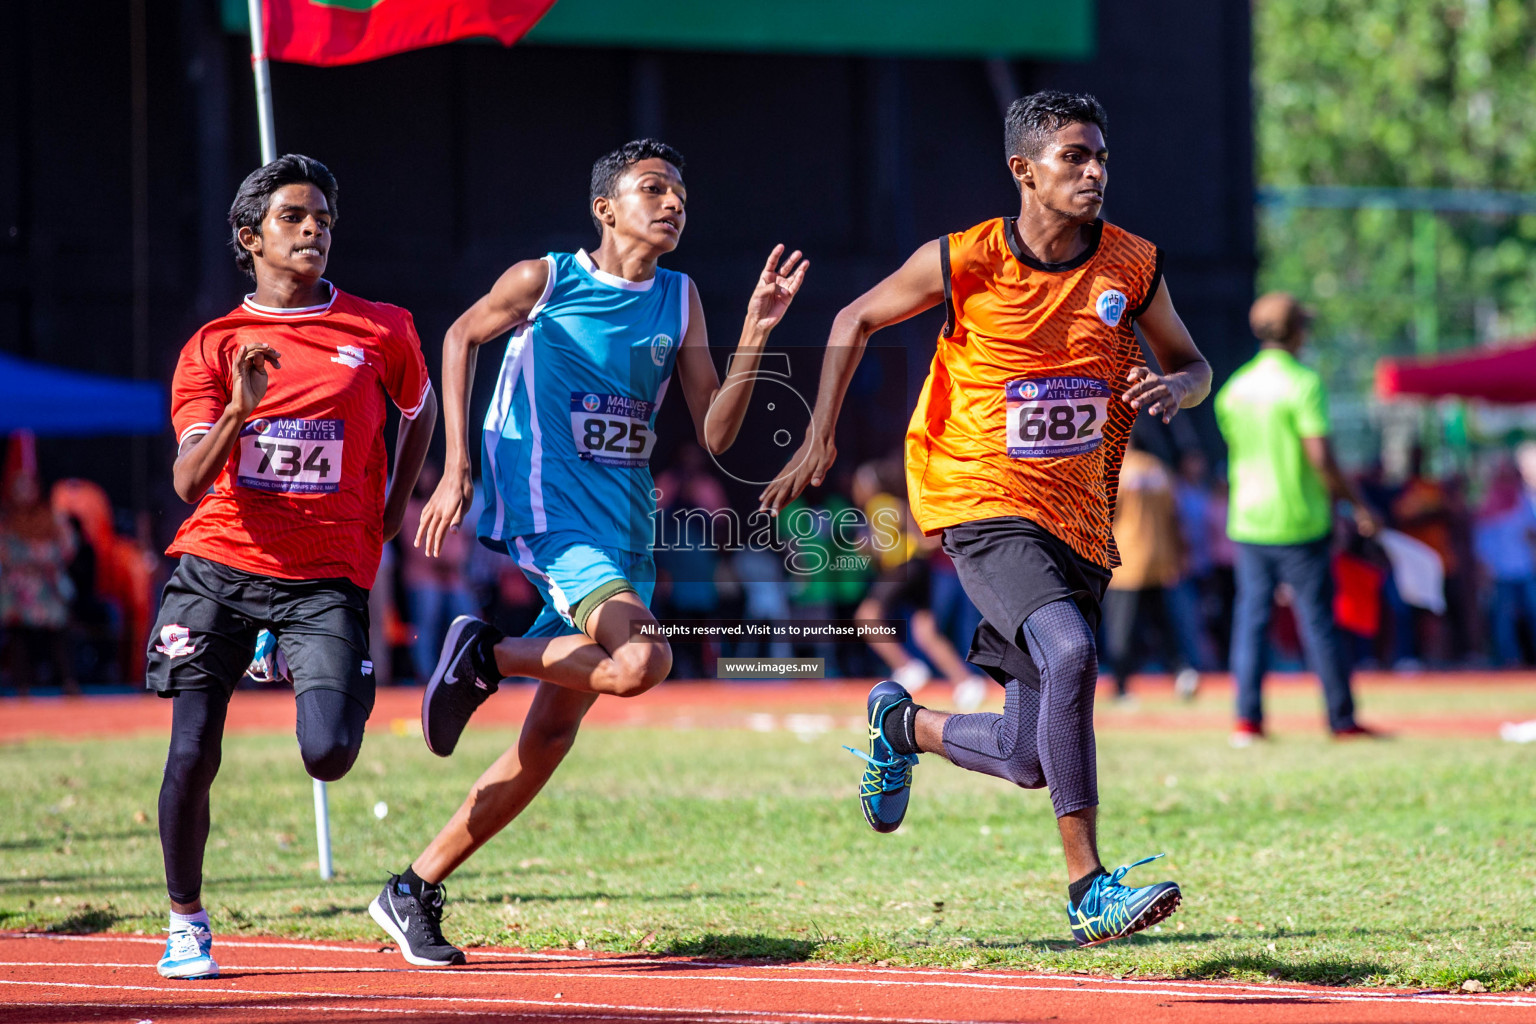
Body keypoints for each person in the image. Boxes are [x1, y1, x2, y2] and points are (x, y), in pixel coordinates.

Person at [761, 91, 1211, 946]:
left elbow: (1194, 363)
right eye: (1074, 157)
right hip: (975, 496)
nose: (1093, 172)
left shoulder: (1130, 264)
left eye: (1101, 157)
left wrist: (1176, 387)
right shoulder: (965, 260)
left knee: (1027, 756)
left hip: (1077, 516)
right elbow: (854, 316)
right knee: (1072, 650)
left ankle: (903, 725)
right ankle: (1089, 890)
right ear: (1023, 171)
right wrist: (819, 437)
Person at [369, 139, 807, 966]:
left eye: (681, 192)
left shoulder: (680, 299)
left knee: (550, 739)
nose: (673, 203)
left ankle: (412, 887)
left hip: (625, 525)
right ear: (607, 208)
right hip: (545, 504)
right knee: (642, 661)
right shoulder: (548, 280)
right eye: (654, 189)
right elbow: (460, 336)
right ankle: (490, 653)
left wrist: (756, 332)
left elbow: (715, 431)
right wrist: (458, 464)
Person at [146, 155, 436, 980]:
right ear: (251, 237)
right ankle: (186, 921)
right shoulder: (213, 347)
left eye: (324, 219)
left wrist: (389, 507)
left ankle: (295, 649)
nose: (315, 230)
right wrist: (240, 407)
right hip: (220, 563)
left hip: (324, 575)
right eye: (294, 217)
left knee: (329, 752)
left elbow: (420, 409)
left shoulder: (382, 328)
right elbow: (186, 482)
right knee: (192, 754)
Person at [1215, 292, 1379, 745]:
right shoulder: (1304, 383)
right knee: (1318, 622)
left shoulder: (1235, 388)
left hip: (1248, 519)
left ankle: (1247, 721)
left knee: (1251, 620)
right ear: (1296, 332)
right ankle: (1341, 719)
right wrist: (1358, 505)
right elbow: (1320, 457)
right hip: (1300, 520)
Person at [850, 459, 989, 709]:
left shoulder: (877, 505)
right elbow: (923, 540)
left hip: (903, 566)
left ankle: (907, 667)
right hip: (920, 567)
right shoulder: (900, 504)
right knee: (925, 630)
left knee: (866, 617)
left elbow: (882, 547)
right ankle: (965, 681)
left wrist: (865, 546)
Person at [1100, 430, 1198, 702]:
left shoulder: (1116, 468)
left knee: (1122, 629)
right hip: (1159, 559)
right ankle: (1182, 672)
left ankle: (1120, 686)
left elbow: (1103, 512)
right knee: (1165, 624)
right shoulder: (1158, 468)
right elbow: (1175, 515)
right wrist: (1180, 553)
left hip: (1126, 561)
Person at [0, 432, 78, 696]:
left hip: (47, 587)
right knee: (18, 633)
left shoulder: (50, 516)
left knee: (58, 632)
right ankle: (22, 684)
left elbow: (67, 547)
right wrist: (33, 556)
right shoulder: (7, 520)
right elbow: (6, 553)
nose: (24, 492)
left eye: (28, 485)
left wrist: (41, 556)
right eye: (18, 486)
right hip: (18, 590)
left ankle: (68, 682)